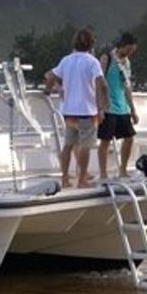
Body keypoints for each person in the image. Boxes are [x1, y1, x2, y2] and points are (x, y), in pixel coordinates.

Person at [44, 28, 109, 188]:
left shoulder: (66, 60)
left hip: (68, 111)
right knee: (85, 146)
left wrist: (49, 89)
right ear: (91, 44)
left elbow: (51, 76)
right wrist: (102, 107)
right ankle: (82, 180)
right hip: (87, 111)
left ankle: (65, 178)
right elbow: (102, 85)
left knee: (68, 145)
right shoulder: (92, 62)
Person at [98, 32, 139, 178]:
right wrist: (100, 108)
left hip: (123, 108)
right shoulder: (107, 58)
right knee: (105, 141)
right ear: (122, 46)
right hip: (109, 107)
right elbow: (98, 83)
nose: (129, 54)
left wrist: (133, 110)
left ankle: (123, 169)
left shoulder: (126, 63)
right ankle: (103, 173)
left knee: (130, 137)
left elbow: (127, 87)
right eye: (128, 50)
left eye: (132, 52)